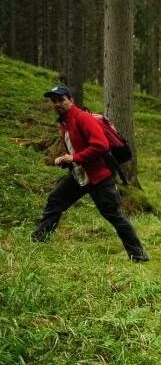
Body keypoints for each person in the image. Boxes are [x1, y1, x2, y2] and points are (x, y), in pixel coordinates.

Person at [30, 85, 149, 262]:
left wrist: (74, 157)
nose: (57, 104)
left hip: (99, 177)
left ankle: (138, 255)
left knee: (114, 215)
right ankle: (38, 242)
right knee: (56, 200)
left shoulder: (82, 117)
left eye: (61, 99)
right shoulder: (65, 123)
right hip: (80, 175)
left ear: (71, 100)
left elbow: (101, 145)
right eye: (54, 101)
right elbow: (77, 148)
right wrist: (66, 159)